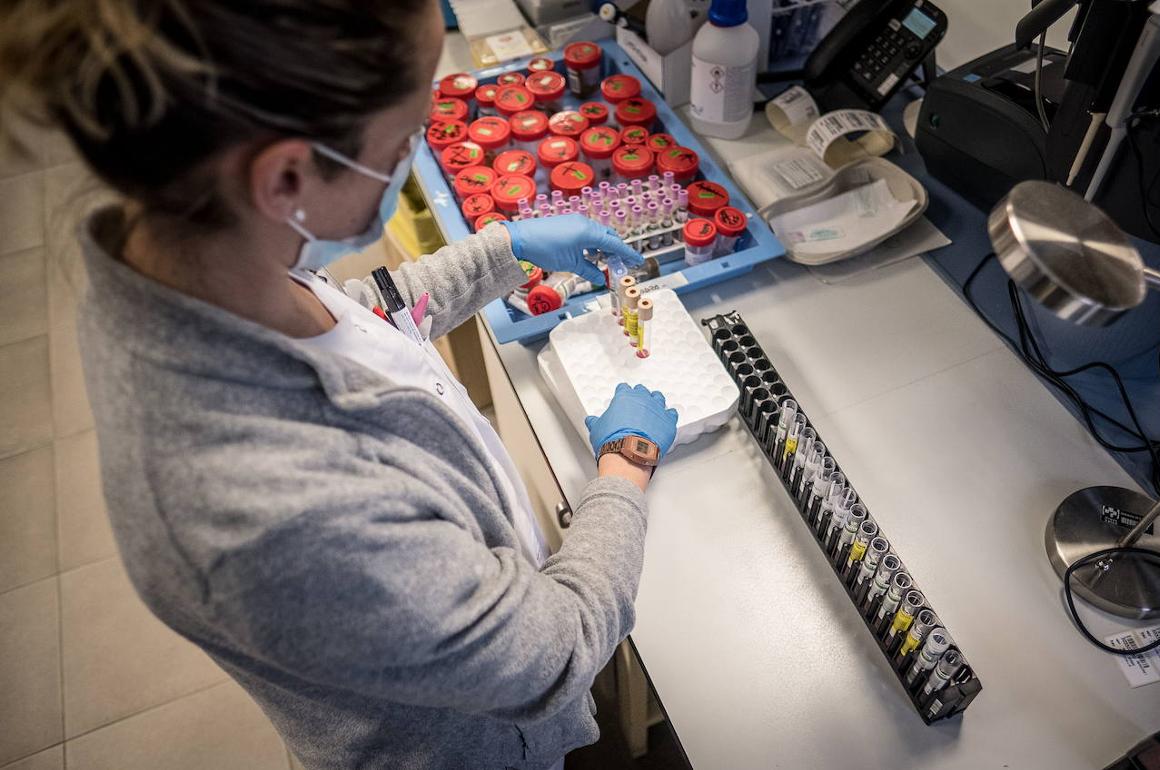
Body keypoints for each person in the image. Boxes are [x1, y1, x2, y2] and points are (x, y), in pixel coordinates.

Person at [0, 1, 680, 768]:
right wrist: (624, 469)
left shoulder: (192, 258)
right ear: (287, 174)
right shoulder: (280, 517)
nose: (415, 151)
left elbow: (353, 324)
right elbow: (553, 656)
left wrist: (505, 251)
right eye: (403, 138)